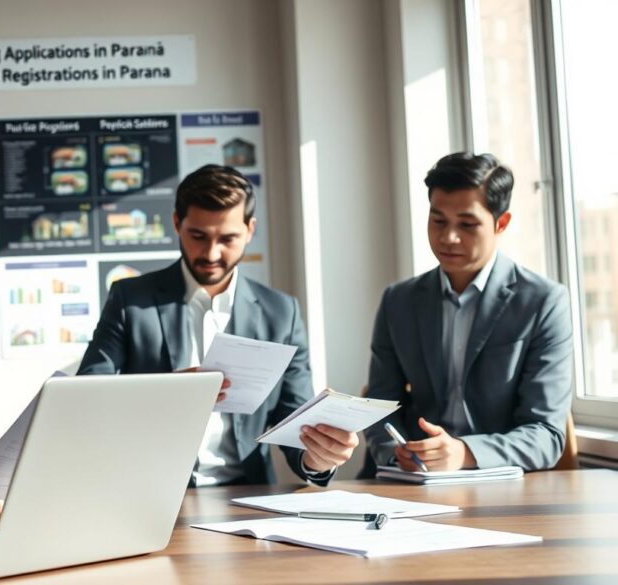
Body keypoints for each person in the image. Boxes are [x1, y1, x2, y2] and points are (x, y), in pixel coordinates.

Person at [78, 164, 358, 486]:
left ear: (250, 230)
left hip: (247, 497)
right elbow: (87, 395)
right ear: (176, 224)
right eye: (198, 236)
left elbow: (291, 419)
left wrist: (318, 456)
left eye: (228, 239)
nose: (211, 253)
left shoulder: (282, 312)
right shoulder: (130, 300)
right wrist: (164, 395)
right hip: (149, 490)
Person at [363, 152, 573, 473]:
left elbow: (546, 434)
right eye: (438, 221)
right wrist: (396, 453)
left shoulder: (543, 302)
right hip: (411, 481)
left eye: (467, 224)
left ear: (501, 223)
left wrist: (465, 453)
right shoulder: (399, 301)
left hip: (499, 485)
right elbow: (379, 405)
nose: (448, 237)